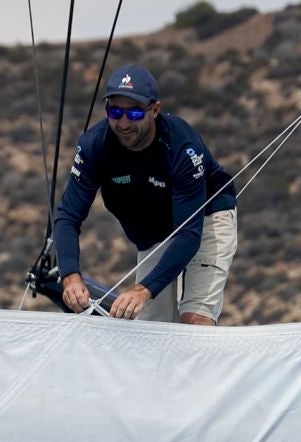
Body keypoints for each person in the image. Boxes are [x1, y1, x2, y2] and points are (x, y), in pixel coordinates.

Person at [53, 64, 239, 325]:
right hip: (155, 229)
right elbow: (68, 217)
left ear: (155, 110)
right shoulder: (94, 145)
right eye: (115, 112)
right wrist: (71, 277)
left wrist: (143, 290)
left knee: (194, 322)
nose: (124, 123)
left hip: (204, 217)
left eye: (135, 112)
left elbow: (189, 235)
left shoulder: (182, 147)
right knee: (150, 330)